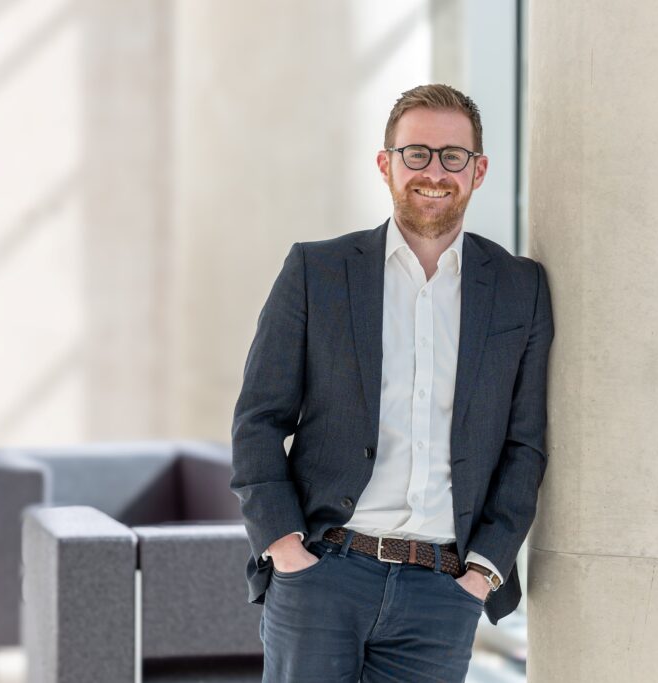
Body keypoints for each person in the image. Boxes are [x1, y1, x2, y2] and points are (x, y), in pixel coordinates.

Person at [231, 83, 554, 682]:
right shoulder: (317, 271)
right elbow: (258, 420)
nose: (435, 171)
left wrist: (482, 574)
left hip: (442, 593)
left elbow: (525, 445)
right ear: (387, 164)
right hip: (324, 573)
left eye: (453, 156)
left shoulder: (519, 288)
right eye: (417, 154)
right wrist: (284, 548)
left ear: (478, 171)